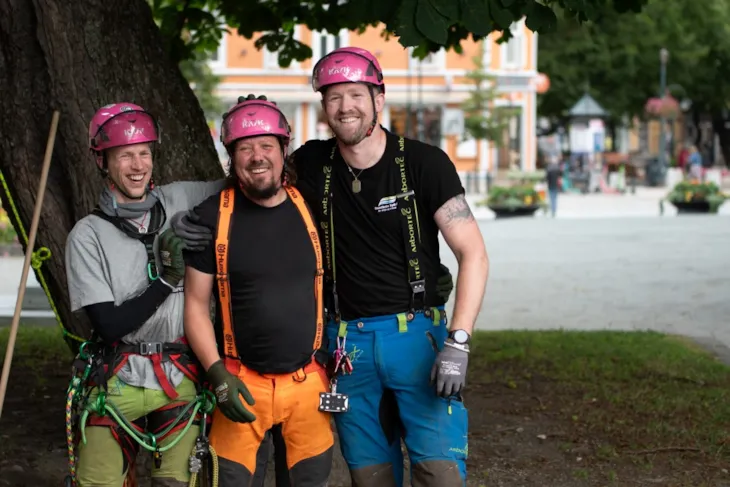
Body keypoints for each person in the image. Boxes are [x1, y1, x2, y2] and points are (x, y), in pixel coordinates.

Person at [64, 102, 226, 486]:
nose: (137, 166)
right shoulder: (87, 236)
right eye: (124, 156)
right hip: (118, 378)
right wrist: (166, 282)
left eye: (144, 154)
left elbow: (249, 183)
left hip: (180, 375)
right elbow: (109, 325)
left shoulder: (183, 199)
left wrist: (254, 135)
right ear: (103, 162)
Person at [182, 96, 334, 487]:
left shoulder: (313, 207)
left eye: (266, 145)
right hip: (240, 380)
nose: (257, 157)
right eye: (244, 148)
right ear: (232, 158)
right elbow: (196, 306)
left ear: (285, 150)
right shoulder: (211, 216)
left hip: (307, 384)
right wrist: (216, 373)